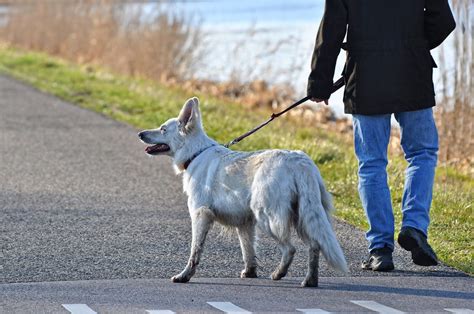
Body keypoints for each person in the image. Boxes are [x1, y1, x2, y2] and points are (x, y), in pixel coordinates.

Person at [307, 0, 456, 271]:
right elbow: (444, 22)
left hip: (366, 79)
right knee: (422, 154)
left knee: (372, 163)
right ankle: (414, 227)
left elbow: (331, 30)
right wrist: (415, 45)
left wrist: (319, 82)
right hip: (413, 74)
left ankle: (380, 249)